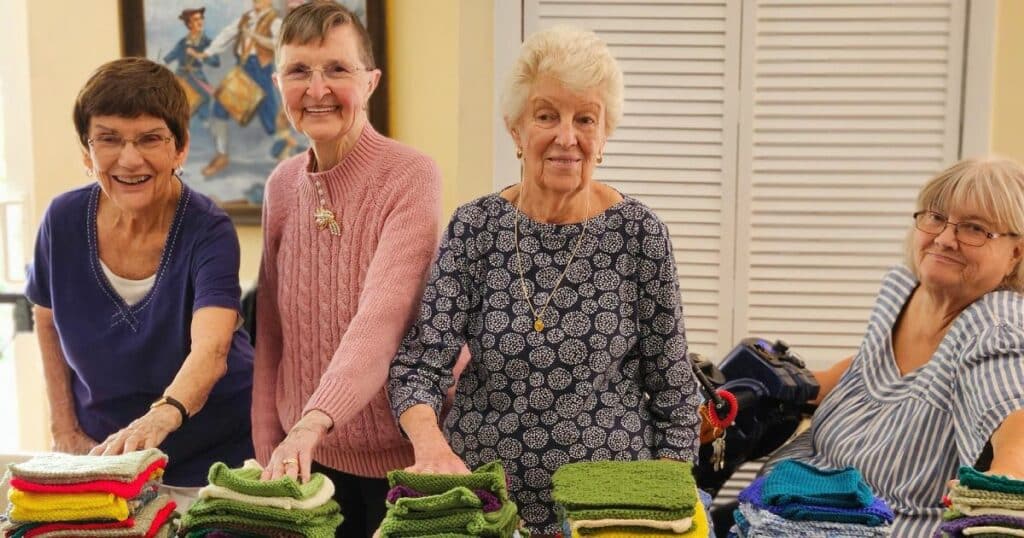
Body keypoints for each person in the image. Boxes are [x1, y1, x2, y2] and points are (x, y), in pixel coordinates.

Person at [387, 26, 702, 536]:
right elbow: (417, 367)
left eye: (585, 119)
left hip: (609, 510)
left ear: (604, 136)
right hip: (484, 501)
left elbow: (674, 394)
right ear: (516, 130)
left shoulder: (640, 235)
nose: (566, 137)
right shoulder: (475, 229)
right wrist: (433, 449)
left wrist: (656, 506)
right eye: (546, 115)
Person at [25, 57, 254, 505]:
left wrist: (161, 417)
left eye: (150, 138)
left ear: (180, 148)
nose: (130, 159)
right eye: (108, 139)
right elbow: (46, 318)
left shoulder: (209, 228)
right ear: (87, 153)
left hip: (212, 459)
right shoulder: (62, 220)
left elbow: (213, 349)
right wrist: (64, 429)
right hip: (104, 456)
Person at [251, 3, 442, 537]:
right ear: (277, 84)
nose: (317, 89)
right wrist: (271, 452)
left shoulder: (410, 176)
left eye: (337, 69)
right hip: (306, 464)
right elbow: (271, 336)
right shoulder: (282, 186)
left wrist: (312, 422)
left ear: (371, 80)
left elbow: (381, 320)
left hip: (400, 465)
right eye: (298, 71)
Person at [765, 157, 1024, 537]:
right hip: (791, 503)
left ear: (1016, 253)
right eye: (936, 217)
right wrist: (788, 385)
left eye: (975, 229)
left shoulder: (996, 325)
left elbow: (1011, 405)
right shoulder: (905, 290)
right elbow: (868, 366)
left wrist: (1004, 484)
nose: (945, 238)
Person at [195, 0, 286, 176]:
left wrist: (255, 36)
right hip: (243, 69)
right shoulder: (246, 18)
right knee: (219, 110)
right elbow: (227, 34)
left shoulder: (276, 21)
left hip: (261, 71)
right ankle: (222, 155)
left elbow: (280, 44)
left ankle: (285, 161)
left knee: (270, 119)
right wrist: (207, 52)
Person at [163, 7, 219, 122]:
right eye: (195, 19)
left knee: (205, 97)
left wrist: (198, 55)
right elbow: (169, 57)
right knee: (176, 103)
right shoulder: (183, 42)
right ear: (189, 24)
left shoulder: (207, 43)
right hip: (181, 77)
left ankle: (204, 124)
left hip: (197, 77)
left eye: (201, 19)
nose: (200, 22)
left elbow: (216, 62)